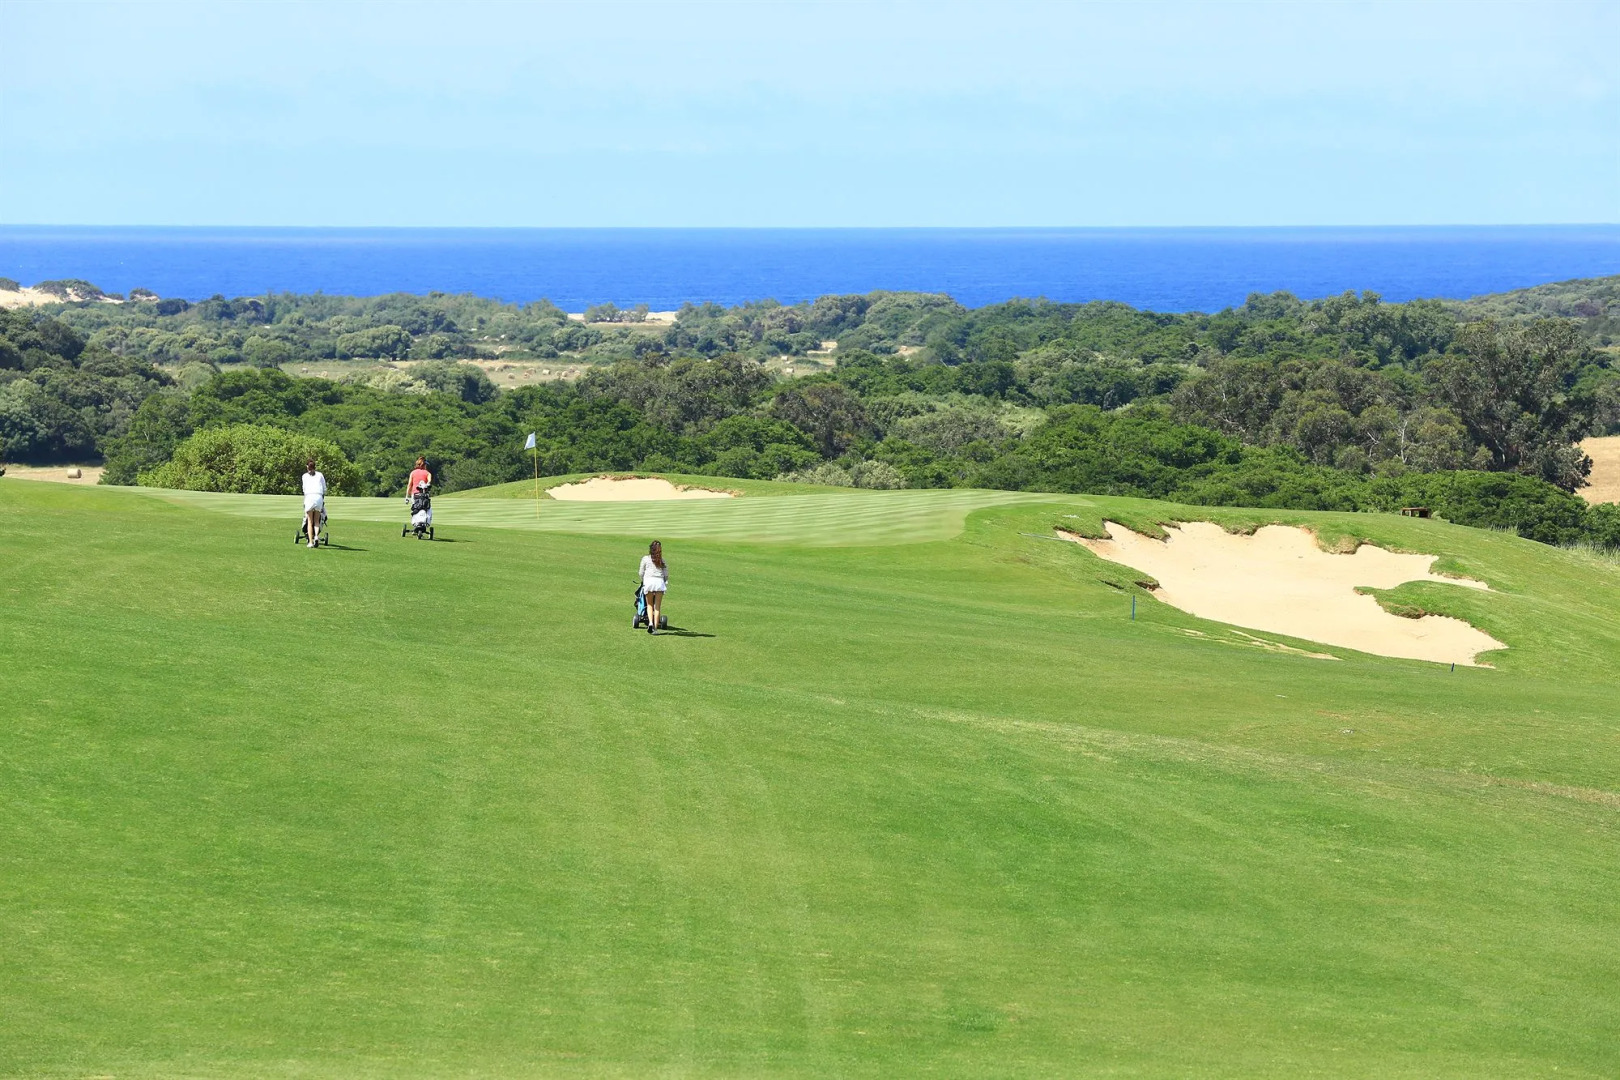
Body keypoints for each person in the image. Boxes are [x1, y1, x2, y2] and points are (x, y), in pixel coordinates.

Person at [639, 540, 668, 634]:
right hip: (659, 582)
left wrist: (643, 580)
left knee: (649, 605)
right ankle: (655, 628)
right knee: (657, 607)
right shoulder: (662, 560)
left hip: (649, 582)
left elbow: (641, 572)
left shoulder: (645, 559)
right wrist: (665, 582)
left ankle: (650, 623)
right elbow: (666, 575)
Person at [301, 458, 327, 548]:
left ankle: (311, 542)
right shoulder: (320, 475)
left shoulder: (304, 476)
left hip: (309, 497)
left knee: (309, 521)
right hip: (318, 497)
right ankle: (316, 536)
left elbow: (304, 489)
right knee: (316, 521)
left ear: (307, 467)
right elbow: (324, 488)